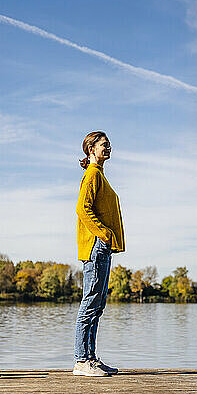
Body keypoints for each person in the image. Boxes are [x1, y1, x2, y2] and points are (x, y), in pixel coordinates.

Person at [73, 131, 125, 377]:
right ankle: (81, 361)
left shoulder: (100, 175)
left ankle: (91, 358)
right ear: (90, 149)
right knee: (90, 301)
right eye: (104, 144)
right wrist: (103, 234)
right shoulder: (92, 174)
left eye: (109, 145)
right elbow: (82, 209)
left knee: (98, 303)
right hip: (96, 246)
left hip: (102, 246)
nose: (109, 148)